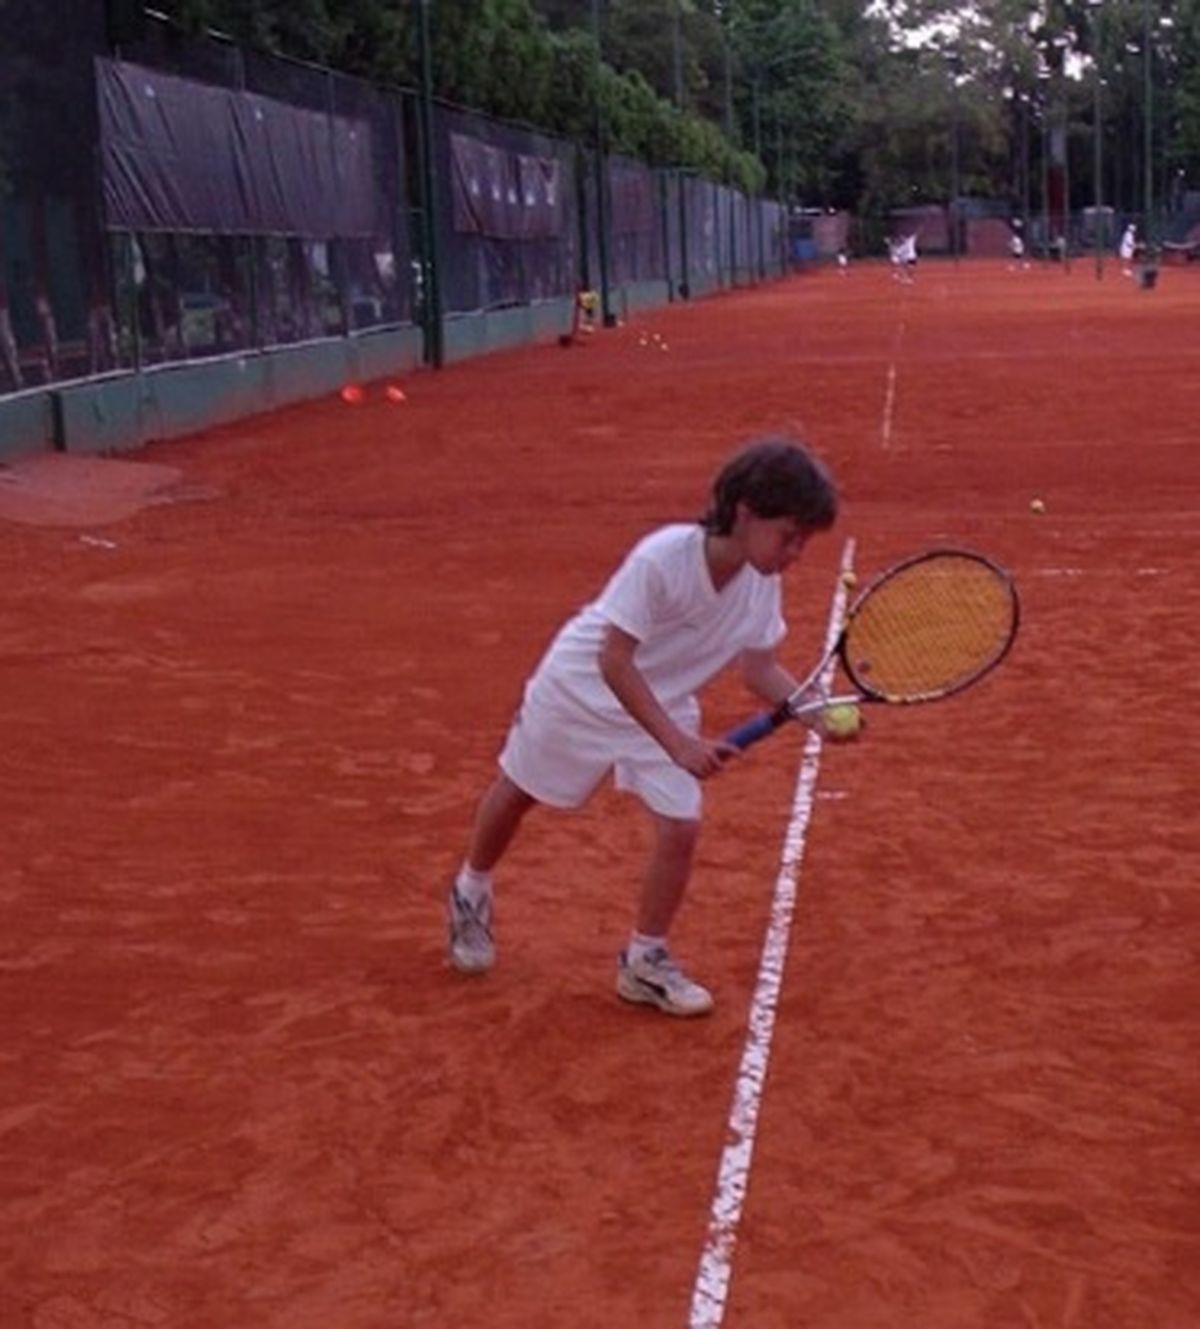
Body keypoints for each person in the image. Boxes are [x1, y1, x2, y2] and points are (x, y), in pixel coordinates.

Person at [445, 439, 840, 1016]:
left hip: (661, 702)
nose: (797, 551)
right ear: (746, 512)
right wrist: (677, 743)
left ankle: (644, 962)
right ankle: (470, 891)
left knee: (680, 827)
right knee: (519, 794)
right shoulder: (663, 558)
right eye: (790, 535)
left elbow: (761, 671)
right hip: (580, 691)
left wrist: (817, 712)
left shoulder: (761, 583)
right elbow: (614, 658)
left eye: (805, 540)